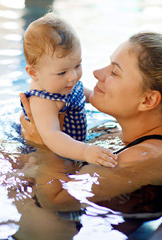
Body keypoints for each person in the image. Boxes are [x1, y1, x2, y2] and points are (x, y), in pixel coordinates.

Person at [20, 31, 162, 211]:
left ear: (148, 100)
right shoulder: (130, 133)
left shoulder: (145, 158)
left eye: (114, 72)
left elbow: (55, 200)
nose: (96, 73)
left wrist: (44, 145)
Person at [20, 13, 117, 167]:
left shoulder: (63, 83)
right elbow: (52, 136)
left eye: (77, 65)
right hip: (46, 153)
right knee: (35, 170)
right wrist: (85, 151)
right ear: (33, 73)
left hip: (74, 146)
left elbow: (89, 96)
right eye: (62, 72)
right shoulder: (43, 100)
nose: (73, 76)